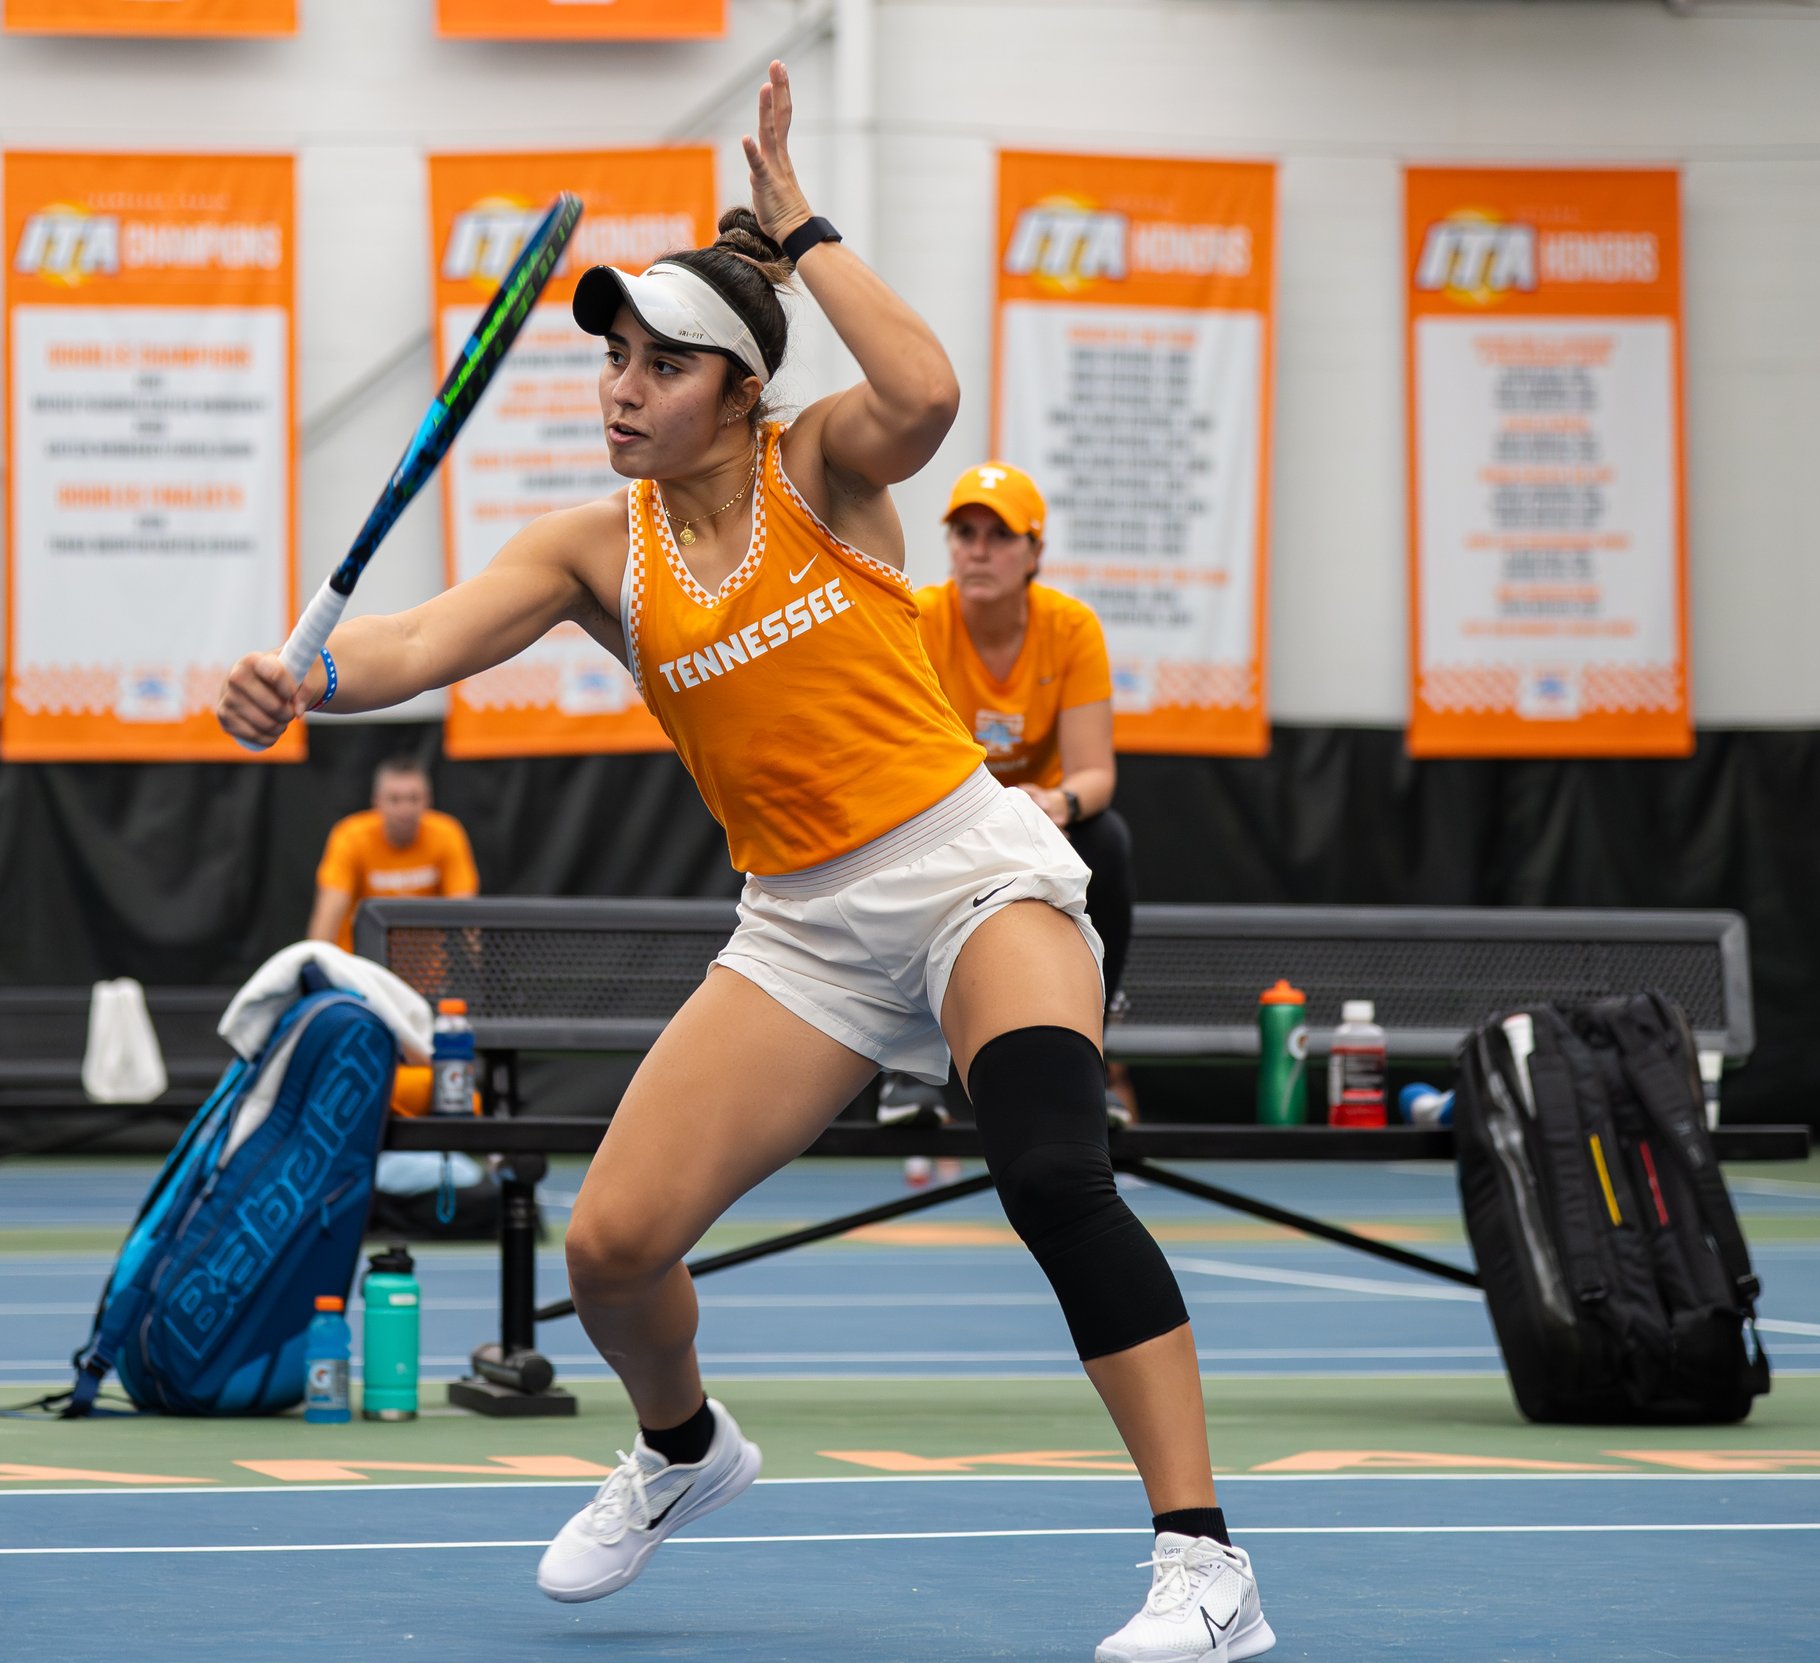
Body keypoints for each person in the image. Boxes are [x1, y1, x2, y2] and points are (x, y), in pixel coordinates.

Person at [220, 62, 1270, 1662]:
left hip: (974, 875)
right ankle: (686, 1447)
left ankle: (1205, 1565)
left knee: (1054, 1167)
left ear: (742, 390)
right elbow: (423, 636)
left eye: (660, 363)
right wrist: (303, 675)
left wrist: (804, 225)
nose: (621, 389)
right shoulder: (596, 549)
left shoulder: (820, 470)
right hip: (803, 928)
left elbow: (922, 392)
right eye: (613, 362)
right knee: (611, 1245)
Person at [915, 459, 1139, 1122]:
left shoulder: (1070, 629)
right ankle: (912, 1071)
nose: (977, 550)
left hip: (1040, 824)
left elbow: (1094, 772)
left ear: (1035, 551)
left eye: (999, 535)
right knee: (887, 849)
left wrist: (1057, 804)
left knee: (1109, 838)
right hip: (943, 819)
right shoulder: (918, 619)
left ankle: (1088, 1054)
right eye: (965, 533)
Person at [307, 755, 478, 953]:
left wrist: (473, 969)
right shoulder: (351, 837)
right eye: (395, 799)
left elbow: (465, 917)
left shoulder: (447, 834)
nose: (405, 809)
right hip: (362, 967)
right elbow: (328, 916)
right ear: (377, 802)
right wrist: (315, 966)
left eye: (414, 798)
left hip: (430, 973)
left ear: (428, 800)